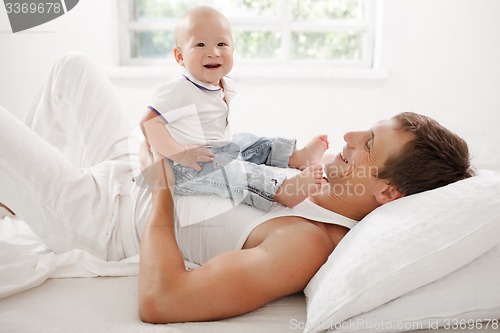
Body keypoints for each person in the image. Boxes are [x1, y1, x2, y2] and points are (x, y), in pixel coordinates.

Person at [0, 53, 472, 323]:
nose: (349, 137)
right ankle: (16, 202)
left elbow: (162, 301)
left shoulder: (305, 242)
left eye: (369, 145)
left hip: (101, 216)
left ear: (389, 193)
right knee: (72, 69)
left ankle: (34, 202)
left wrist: (161, 186)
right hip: (127, 169)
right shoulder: (316, 183)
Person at [140, 6, 327, 212]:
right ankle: (281, 189)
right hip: (185, 168)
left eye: (221, 44)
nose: (213, 52)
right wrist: (182, 154)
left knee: (245, 141)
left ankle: (295, 156)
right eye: (200, 44)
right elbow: (149, 124)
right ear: (180, 56)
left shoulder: (221, 83)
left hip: (214, 149)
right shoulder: (179, 89)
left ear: (232, 50)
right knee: (234, 171)